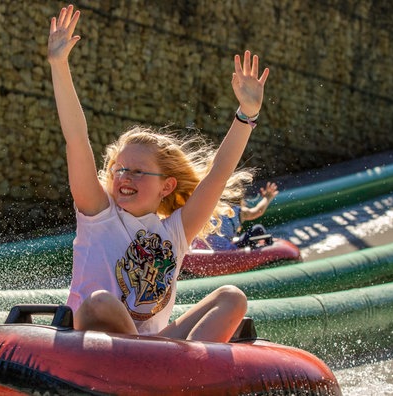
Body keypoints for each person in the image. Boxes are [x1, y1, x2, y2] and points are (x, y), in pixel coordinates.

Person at [48, 5, 269, 342]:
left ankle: (176, 377)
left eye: (139, 171)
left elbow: (218, 175)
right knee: (98, 304)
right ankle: (147, 364)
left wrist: (246, 115)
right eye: (120, 169)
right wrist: (59, 65)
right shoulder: (98, 214)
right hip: (92, 345)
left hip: (157, 350)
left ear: (167, 186)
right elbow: (76, 138)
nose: (125, 176)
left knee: (232, 298)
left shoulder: (175, 231)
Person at [205, 181, 279, 250]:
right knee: (258, 228)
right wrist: (267, 197)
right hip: (226, 249)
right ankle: (268, 247)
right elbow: (258, 211)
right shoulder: (237, 211)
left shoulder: (212, 208)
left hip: (206, 247)